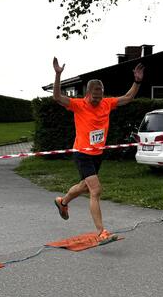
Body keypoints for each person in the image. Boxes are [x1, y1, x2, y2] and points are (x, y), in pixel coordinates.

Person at [52, 57, 144, 244]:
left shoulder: (107, 103)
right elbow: (57, 97)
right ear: (87, 94)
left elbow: (127, 98)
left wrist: (137, 81)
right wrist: (58, 75)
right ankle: (101, 232)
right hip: (82, 153)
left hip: (97, 154)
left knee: (84, 187)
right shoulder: (78, 105)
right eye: (94, 96)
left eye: (100, 95)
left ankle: (62, 202)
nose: (97, 99)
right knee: (96, 190)